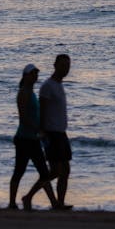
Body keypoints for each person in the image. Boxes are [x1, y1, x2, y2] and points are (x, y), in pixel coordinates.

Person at [8, 64, 57, 211]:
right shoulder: (24, 92)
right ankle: (13, 203)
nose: (35, 76)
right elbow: (23, 117)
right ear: (25, 76)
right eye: (32, 74)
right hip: (25, 139)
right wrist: (39, 130)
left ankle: (53, 203)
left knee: (44, 172)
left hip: (33, 138)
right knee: (20, 171)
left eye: (36, 74)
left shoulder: (31, 92)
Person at [39, 54, 73, 210]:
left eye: (68, 66)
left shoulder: (59, 85)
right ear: (55, 65)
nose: (65, 68)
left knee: (65, 170)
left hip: (61, 132)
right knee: (55, 171)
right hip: (51, 133)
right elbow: (42, 110)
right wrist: (43, 132)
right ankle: (30, 195)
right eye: (63, 65)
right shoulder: (48, 86)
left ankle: (60, 202)